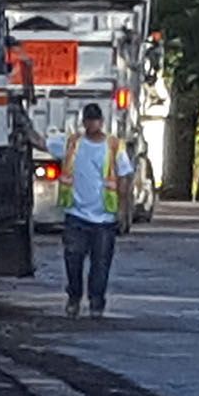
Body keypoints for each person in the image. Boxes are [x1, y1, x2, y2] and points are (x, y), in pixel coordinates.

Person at [50, 103, 133, 319]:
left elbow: (124, 177)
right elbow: (44, 144)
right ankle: (74, 297)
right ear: (84, 121)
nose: (92, 124)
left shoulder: (114, 146)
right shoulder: (73, 143)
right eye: (88, 120)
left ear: (101, 122)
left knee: (101, 265)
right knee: (73, 260)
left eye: (95, 120)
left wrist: (122, 209)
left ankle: (96, 303)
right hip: (76, 214)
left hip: (104, 218)